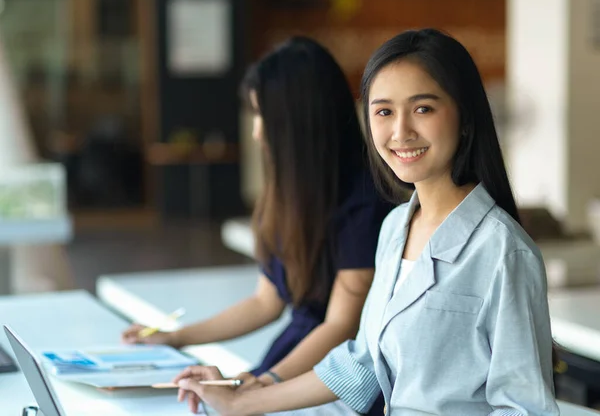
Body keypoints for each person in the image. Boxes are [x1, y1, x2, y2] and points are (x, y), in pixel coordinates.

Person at [172, 28, 560, 415]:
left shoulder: (504, 253)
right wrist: (242, 401)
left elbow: (526, 408)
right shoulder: (394, 228)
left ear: (464, 117)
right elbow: (362, 363)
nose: (400, 132)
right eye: (384, 111)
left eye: (423, 108)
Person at [122, 37, 391, 414]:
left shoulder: (364, 203)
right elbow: (265, 302)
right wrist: (176, 337)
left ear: (299, 123)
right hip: (292, 364)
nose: (256, 132)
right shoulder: (292, 195)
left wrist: (263, 385)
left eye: (263, 116)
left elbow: (340, 327)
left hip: (332, 381)